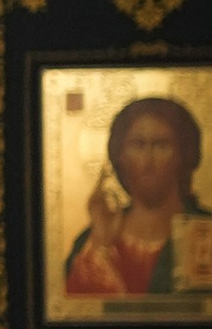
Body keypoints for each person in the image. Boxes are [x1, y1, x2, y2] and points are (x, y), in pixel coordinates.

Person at [61, 93, 212, 301]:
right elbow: (76, 315)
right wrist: (100, 248)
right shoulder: (92, 241)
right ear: (120, 156)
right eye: (137, 145)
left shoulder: (206, 230)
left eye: (161, 145)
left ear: (183, 154)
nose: (148, 160)